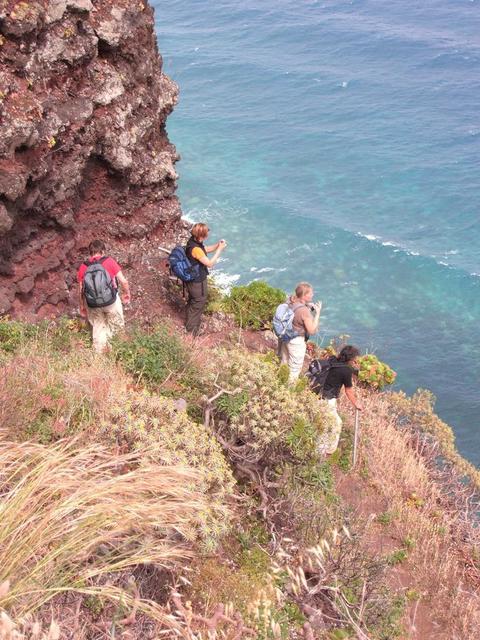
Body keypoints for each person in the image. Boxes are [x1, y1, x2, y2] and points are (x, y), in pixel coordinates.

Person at [77, 239, 131, 353]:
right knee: (117, 327)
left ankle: (100, 359)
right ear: (102, 251)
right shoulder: (109, 261)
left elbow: (81, 289)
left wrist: (82, 306)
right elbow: (123, 281)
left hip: (93, 304)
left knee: (98, 329)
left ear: (90, 252)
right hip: (111, 301)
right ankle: (118, 354)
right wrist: (126, 294)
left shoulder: (83, 266)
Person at [318, 345, 363, 455]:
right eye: (354, 359)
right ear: (351, 359)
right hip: (327, 400)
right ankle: (326, 451)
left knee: (322, 422)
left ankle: (322, 449)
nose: (355, 360)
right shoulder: (346, 370)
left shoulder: (332, 360)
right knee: (335, 424)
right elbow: (348, 390)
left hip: (316, 395)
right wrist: (356, 403)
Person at [184, 223, 227, 335]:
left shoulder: (193, 242)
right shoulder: (196, 249)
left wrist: (217, 245)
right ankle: (191, 333)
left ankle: (189, 324)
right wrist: (220, 250)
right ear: (203, 235)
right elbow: (209, 263)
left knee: (194, 301)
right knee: (198, 303)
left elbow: (204, 250)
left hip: (193, 280)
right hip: (197, 282)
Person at [278, 282, 321, 383]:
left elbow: (297, 309)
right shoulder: (304, 311)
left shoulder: (290, 302)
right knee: (294, 368)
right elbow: (312, 330)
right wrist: (317, 314)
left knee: (284, 362)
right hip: (296, 341)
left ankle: (279, 382)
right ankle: (289, 392)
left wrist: (307, 305)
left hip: (286, 337)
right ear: (305, 295)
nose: (313, 295)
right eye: (311, 293)